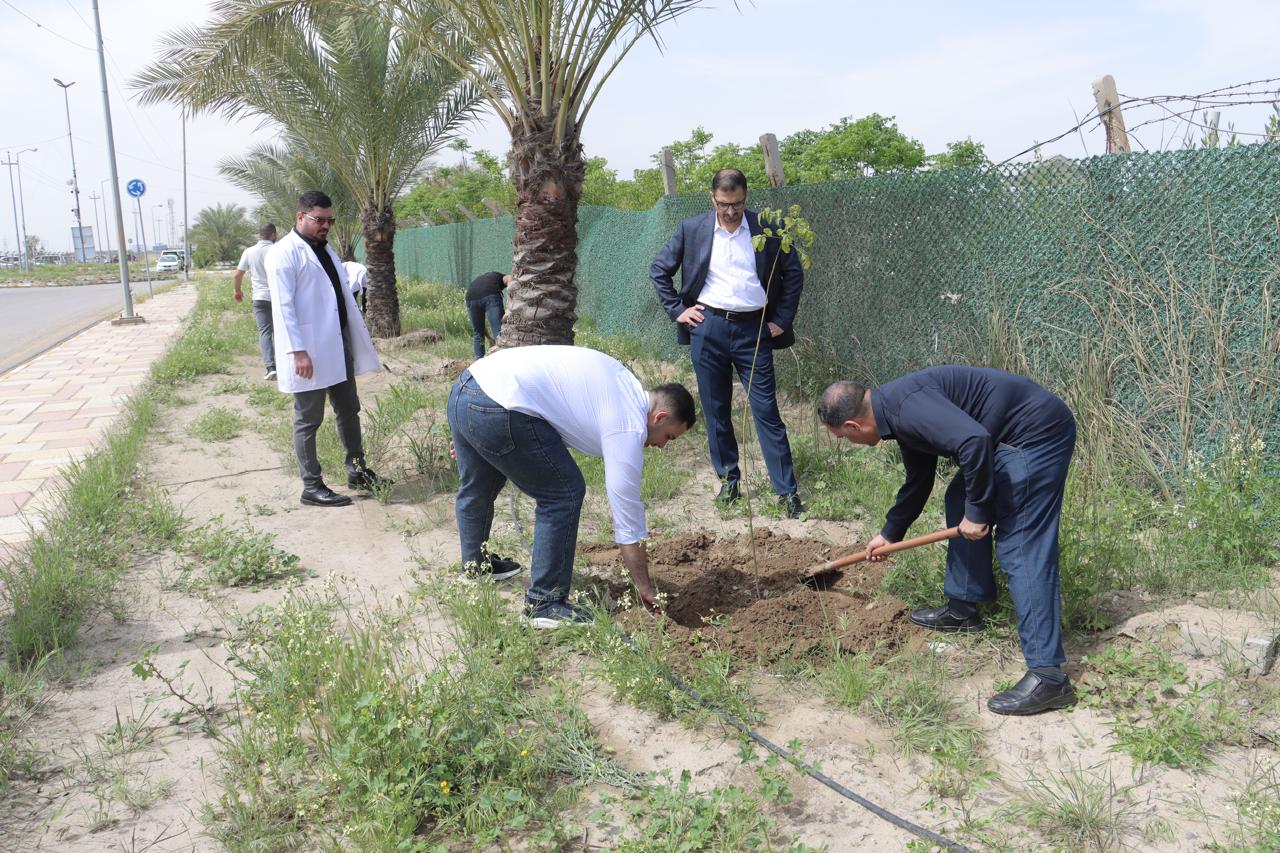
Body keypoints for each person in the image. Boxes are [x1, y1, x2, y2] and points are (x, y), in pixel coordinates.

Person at [817, 366, 1078, 716]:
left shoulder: (907, 409)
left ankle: (1049, 677)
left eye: (843, 437)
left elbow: (974, 441)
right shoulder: (892, 411)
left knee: (1021, 544)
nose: (848, 442)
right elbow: (919, 479)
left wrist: (979, 512)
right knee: (960, 497)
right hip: (1005, 436)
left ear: (853, 426)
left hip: (1035, 434)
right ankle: (964, 608)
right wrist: (890, 533)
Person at [447, 345, 696, 628]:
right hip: (498, 404)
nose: (662, 446)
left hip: (468, 387)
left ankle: (475, 566)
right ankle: (544, 603)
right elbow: (628, 518)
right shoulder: (628, 425)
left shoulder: (623, 382)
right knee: (563, 493)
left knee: (479, 483)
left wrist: (472, 421)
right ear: (659, 418)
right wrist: (644, 586)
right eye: (669, 437)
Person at [650, 168, 805, 518]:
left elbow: (794, 273)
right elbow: (659, 269)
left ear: (746, 197)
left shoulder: (769, 228)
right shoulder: (692, 229)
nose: (731, 211)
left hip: (755, 330)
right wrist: (678, 310)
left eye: (737, 204)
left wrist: (781, 319)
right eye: (724, 204)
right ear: (712, 198)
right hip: (709, 328)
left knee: (766, 410)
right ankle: (729, 482)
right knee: (716, 409)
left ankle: (787, 492)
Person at [266, 190, 388, 507]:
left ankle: (357, 471)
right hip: (307, 351)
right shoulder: (283, 253)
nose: (325, 226)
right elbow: (283, 307)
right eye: (319, 220)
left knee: (349, 410)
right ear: (300, 217)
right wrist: (298, 351)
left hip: (336, 344)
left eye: (329, 220)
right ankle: (311, 485)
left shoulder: (325, 249)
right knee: (308, 419)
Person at [233, 223, 278, 380]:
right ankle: (287, 364)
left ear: (260, 235)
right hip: (279, 297)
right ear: (273, 234)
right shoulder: (279, 249)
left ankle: (270, 367)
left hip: (260, 298)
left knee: (265, 332)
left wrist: (237, 291)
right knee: (283, 331)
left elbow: (237, 275)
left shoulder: (249, 251)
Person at [465, 270, 511, 358]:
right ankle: (502, 360)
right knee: (499, 332)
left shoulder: (483, 279)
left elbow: (480, 328)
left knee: (478, 334)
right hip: (491, 294)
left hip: (470, 297)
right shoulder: (501, 276)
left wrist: (489, 338)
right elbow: (510, 278)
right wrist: (510, 301)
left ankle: (479, 362)